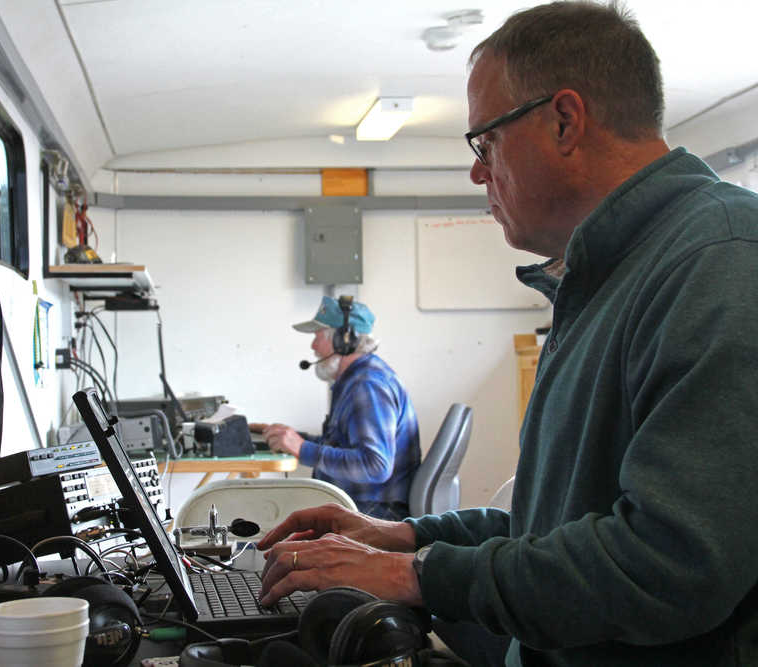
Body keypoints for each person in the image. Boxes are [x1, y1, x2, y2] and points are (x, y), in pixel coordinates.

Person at [257, 2, 758, 666]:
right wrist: (399, 536)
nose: (476, 171)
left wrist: (416, 575)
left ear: (565, 120)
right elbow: (551, 526)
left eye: (484, 141)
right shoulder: (602, 279)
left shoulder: (719, 259)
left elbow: (668, 565)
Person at [250, 295, 421, 521]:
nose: (313, 346)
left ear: (343, 339)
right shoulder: (356, 380)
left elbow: (376, 466)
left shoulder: (367, 386)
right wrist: (291, 438)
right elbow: (343, 444)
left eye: (317, 336)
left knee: (266, 516)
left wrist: (303, 449)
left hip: (376, 514)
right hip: (364, 505)